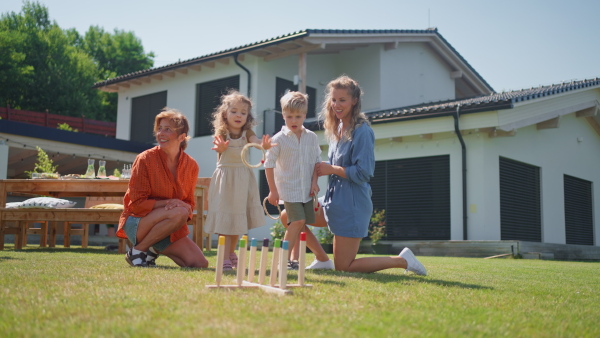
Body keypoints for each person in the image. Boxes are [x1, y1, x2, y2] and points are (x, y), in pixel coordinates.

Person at [284, 75, 426, 275]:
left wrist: (331, 169)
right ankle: (322, 259)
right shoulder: (338, 127)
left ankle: (403, 260)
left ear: (354, 101)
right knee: (288, 216)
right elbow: (331, 166)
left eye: (342, 100)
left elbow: (363, 172)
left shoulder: (362, 131)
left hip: (351, 205)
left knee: (345, 266)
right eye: (334, 100)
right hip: (332, 200)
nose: (337, 105)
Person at [117, 108, 208, 268]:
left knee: (199, 263)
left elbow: (188, 204)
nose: (161, 133)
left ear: (182, 136)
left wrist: (184, 206)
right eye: (159, 129)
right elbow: (137, 204)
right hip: (138, 222)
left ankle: (151, 250)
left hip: (169, 226)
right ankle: (138, 250)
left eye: (167, 129)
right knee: (179, 211)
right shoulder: (145, 159)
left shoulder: (191, 165)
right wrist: (172, 203)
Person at [204, 90, 274, 271]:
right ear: (225, 114)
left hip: (243, 178)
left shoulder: (246, 132)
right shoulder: (222, 132)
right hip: (226, 178)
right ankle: (223, 256)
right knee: (225, 217)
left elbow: (256, 141)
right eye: (234, 111)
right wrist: (220, 147)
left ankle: (231, 252)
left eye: (243, 113)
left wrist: (263, 145)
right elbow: (218, 147)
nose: (238, 115)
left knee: (237, 218)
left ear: (247, 117)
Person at [265, 91, 334, 270]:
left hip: (307, 191)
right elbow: (269, 165)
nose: (294, 121)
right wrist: (273, 191)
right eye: (289, 117)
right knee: (296, 222)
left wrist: (314, 183)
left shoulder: (311, 137)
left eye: (298, 116)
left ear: (304, 115)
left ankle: (302, 260)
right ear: (283, 116)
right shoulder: (278, 140)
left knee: (301, 224)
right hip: (289, 191)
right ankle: (284, 262)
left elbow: (315, 163)